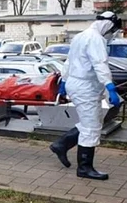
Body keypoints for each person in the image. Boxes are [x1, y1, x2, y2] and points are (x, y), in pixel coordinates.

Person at [50, 11, 123, 180]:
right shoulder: (95, 39)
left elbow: (69, 61)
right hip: (85, 87)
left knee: (93, 122)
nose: (112, 35)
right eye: (112, 31)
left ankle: (62, 144)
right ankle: (84, 168)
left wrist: (64, 81)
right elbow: (100, 64)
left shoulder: (81, 36)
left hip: (82, 85)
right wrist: (110, 87)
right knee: (91, 127)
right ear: (109, 25)